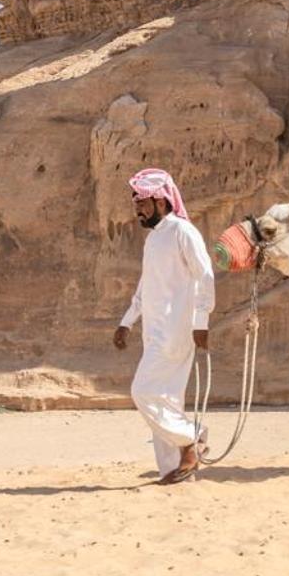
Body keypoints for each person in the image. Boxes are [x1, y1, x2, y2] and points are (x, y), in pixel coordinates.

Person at [113, 167, 215, 485]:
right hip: (153, 332)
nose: (138, 210)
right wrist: (127, 322)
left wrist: (202, 321)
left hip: (175, 332)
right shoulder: (155, 239)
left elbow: (205, 275)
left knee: (143, 392)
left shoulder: (183, 232)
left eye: (143, 203)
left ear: (161, 201)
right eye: (136, 205)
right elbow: (147, 286)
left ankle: (191, 438)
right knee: (167, 401)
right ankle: (175, 471)